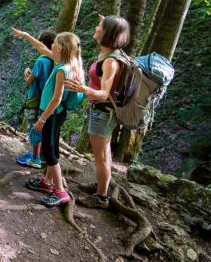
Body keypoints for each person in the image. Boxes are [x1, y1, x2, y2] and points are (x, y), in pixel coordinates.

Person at [12, 28, 85, 207]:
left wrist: (42, 119)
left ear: (60, 48)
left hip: (51, 116)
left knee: (49, 154)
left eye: (54, 43)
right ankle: (47, 181)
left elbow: (56, 98)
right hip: (55, 115)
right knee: (53, 149)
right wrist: (27, 35)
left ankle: (60, 191)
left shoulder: (62, 70)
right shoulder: (69, 62)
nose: (51, 45)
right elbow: (41, 48)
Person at [64, 14, 131, 209]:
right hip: (102, 112)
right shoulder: (110, 54)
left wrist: (83, 89)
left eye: (99, 26)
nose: (96, 28)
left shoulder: (111, 61)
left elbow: (103, 94)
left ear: (107, 33)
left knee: (101, 156)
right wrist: (107, 18)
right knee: (104, 154)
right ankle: (102, 185)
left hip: (103, 112)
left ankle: (101, 198)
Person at [17, 30, 56, 169]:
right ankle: (42, 156)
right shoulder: (55, 60)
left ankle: (35, 158)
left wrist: (26, 72)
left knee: (34, 127)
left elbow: (29, 82)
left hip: (35, 98)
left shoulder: (40, 61)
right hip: (48, 100)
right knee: (43, 128)